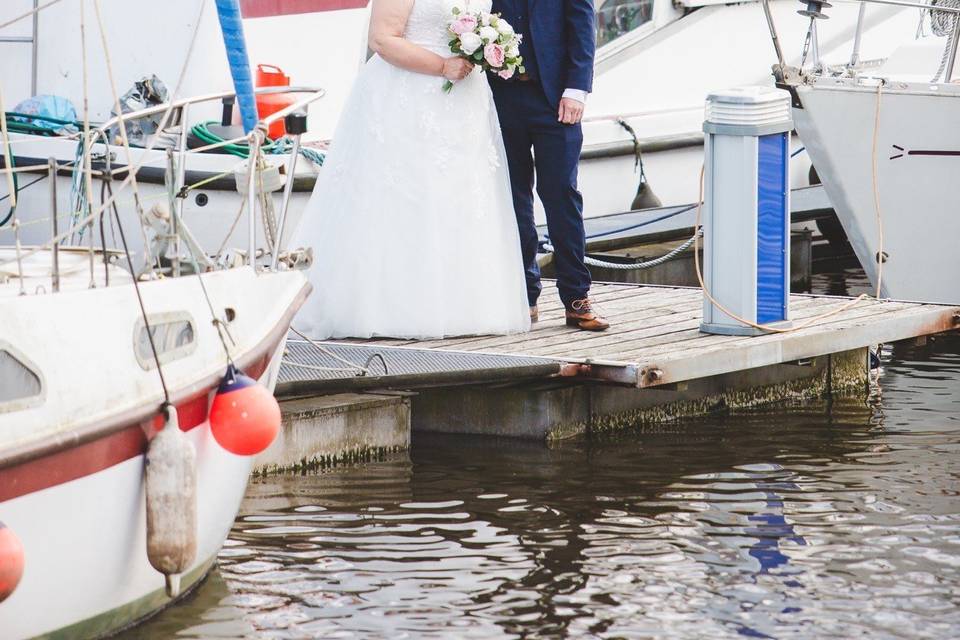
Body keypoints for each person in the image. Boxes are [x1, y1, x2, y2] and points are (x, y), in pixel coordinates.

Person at [291, 0, 530, 339]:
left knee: (461, 198)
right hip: (409, 98)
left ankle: (460, 306)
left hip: (464, 103)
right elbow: (383, 39)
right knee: (406, 197)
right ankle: (390, 307)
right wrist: (442, 66)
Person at [490, 0, 609, 331]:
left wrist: (577, 89)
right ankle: (525, 296)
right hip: (498, 97)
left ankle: (576, 298)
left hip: (556, 98)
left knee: (561, 195)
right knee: (511, 198)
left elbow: (583, 23)